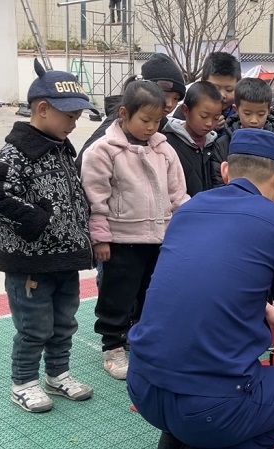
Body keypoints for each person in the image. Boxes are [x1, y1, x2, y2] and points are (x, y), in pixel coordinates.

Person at [127, 128, 274, 449]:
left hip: (142, 388)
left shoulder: (187, 211)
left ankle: (183, 434)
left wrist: (264, 307)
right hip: (212, 406)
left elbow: (197, 281)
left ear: (225, 170)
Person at [0, 59, 97, 413]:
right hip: (30, 262)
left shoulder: (61, 149)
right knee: (35, 328)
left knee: (64, 323)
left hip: (65, 259)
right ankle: (24, 382)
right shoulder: (17, 151)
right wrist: (37, 222)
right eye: (70, 116)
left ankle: (57, 375)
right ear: (43, 109)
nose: (74, 123)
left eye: (77, 117)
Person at [81, 80, 189, 380]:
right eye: (145, 120)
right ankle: (112, 345)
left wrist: (185, 229)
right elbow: (95, 199)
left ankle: (142, 341)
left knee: (152, 294)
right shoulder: (103, 151)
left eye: (157, 121)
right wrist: (100, 238)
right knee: (117, 295)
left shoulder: (164, 150)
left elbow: (178, 194)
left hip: (159, 239)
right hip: (121, 240)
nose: (152, 127)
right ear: (124, 114)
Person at [77, 53, 188, 171]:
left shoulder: (164, 126)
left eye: (176, 98)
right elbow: (84, 167)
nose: (170, 104)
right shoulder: (114, 128)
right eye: (165, 95)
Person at [212, 77, 274, 187]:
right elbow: (218, 182)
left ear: (269, 111)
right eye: (247, 114)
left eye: (260, 114)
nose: (254, 120)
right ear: (236, 110)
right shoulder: (222, 145)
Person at [162, 81, 224, 196]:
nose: (210, 123)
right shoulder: (168, 143)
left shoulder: (215, 144)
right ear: (185, 110)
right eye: (204, 116)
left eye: (216, 118)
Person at [174, 51, 241, 137]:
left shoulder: (241, 114)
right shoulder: (188, 110)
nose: (222, 95)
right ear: (203, 82)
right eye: (215, 88)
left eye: (229, 90)